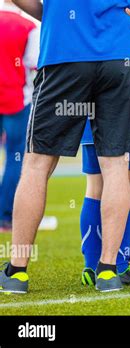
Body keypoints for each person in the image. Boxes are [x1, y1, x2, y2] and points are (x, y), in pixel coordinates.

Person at [0, 0, 130, 294]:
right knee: (115, 164)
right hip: (119, 56)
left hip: (63, 53)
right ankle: (108, 270)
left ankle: (18, 272)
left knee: (37, 164)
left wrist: (49, 12)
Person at [79, 121, 130, 287]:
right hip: (119, 121)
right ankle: (120, 265)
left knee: (94, 188)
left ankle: (92, 266)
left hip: (90, 122)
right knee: (123, 185)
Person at [0, 0, 39, 233]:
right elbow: (34, 64)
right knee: (16, 159)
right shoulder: (26, 25)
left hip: (16, 99)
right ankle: (5, 217)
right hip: (16, 100)